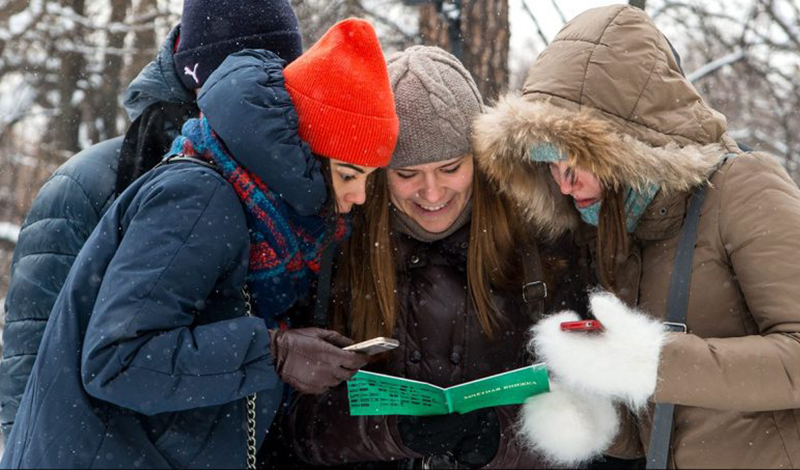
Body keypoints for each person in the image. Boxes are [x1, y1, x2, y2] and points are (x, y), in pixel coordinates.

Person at [1, 18, 398, 469]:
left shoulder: (264, 212)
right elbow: (117, 359)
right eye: (348, 174)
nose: (358, 197)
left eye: (369, 178)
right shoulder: (200, 196)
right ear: (306, 151)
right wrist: (273, 352)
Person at [472, 4, 800, 468]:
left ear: (628, 149)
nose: (564, 184)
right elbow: (660, 419)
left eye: (576, 161)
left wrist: (652, 361)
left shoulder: (744, 188)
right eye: (549, 164)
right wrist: (593, 414)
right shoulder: (614, 226)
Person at [285, 46, 582, 469]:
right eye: (407, 174)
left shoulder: (537, 242)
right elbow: (295, 425)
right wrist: (390, 432)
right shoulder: (337, 248)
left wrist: (498, 439)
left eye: (449, 168)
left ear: (478, 162)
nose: (432, 193)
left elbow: (588, 411)